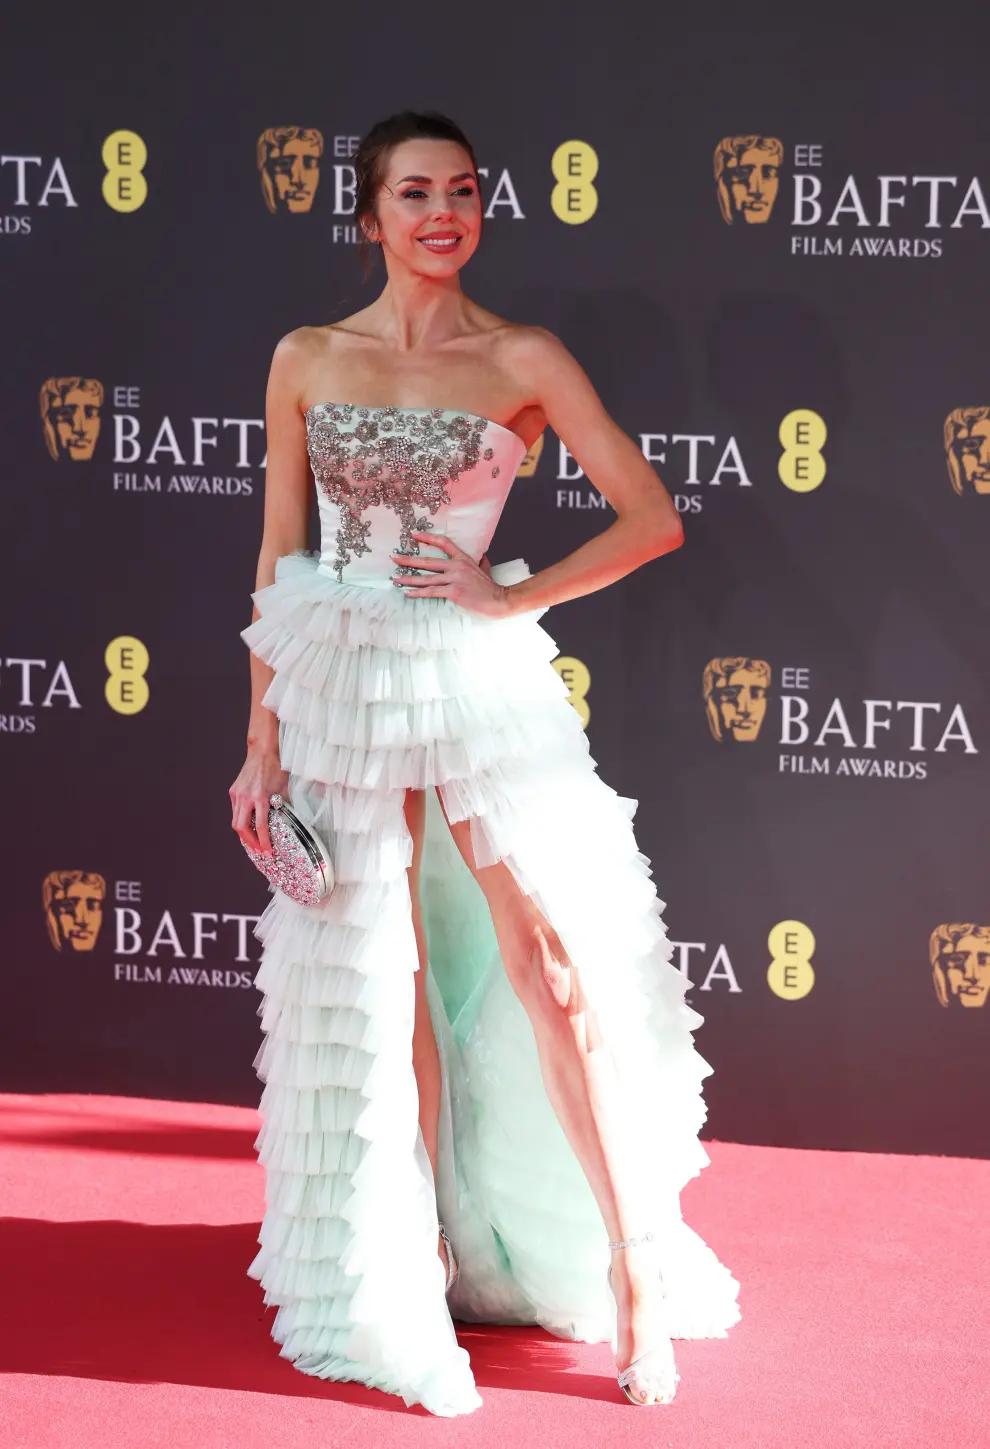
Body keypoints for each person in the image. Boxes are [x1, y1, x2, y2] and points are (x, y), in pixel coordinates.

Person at [230, 109, 740, 1418]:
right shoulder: (304, 357)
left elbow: (651, 516)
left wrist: (507, 598)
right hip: (340, 686)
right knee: (384, 986)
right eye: (413, 192)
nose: (440, 212)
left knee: (549, 966)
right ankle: (421, 1263)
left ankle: (631, 1275)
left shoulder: (521, 355)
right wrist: (258, 742)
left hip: (467, 679)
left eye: (460, 192)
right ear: (368, 216)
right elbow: (280, 564)